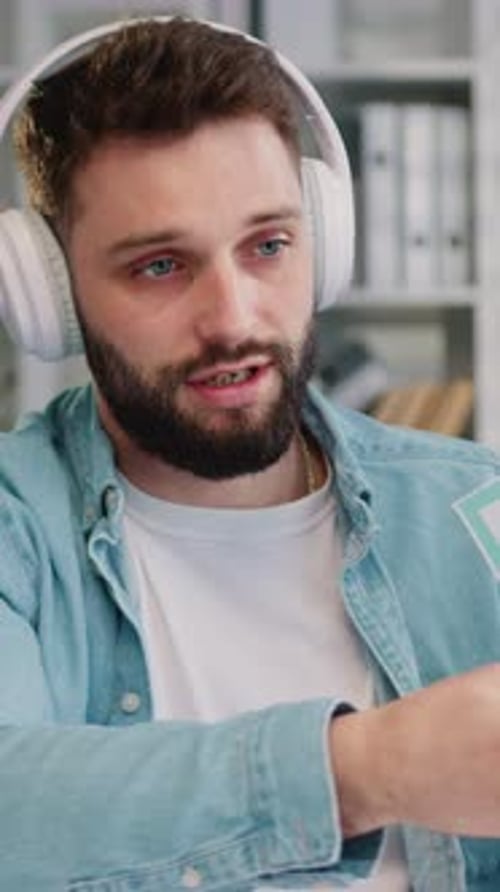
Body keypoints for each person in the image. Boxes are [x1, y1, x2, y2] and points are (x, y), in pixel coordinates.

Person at [0, 15, 500, 892]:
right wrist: (361, 770)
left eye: (269, 246)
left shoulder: (477, 514)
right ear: (51, 293)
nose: (233, 319)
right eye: (159, 266)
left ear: (324, 243)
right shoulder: (15, 529)